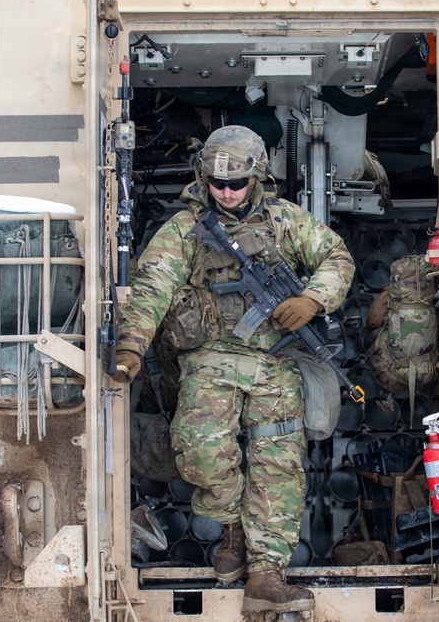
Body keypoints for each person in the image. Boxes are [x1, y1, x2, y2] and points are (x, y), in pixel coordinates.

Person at [113, 125, 354, 613]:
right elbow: (152, 285)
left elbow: (337, 257)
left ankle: (266, 574)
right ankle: (233, 527)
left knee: (278, 465)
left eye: (237, 183)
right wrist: (131, 346)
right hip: (212, 357)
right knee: (199, 451)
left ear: (257, 178)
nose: (226, 192)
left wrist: (312, 298)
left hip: (275, 360)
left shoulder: (287, 221)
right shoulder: (186, 228)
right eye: (217, 184)